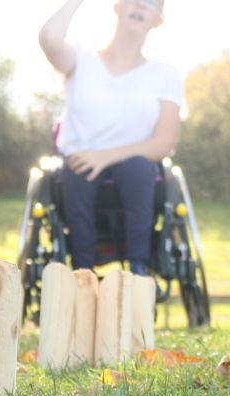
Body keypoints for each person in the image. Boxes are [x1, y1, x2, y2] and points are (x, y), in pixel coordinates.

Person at [39, 0, 184, 275]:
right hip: (79, 166)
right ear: (117, 6)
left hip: (137, 168)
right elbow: (49, 38)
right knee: (78, 170)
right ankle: (82, 273)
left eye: (152, 3)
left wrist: (104, 156)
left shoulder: (165, 74)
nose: (141, 5)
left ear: (159, 20)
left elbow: (163, 143)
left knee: (138, 168)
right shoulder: (81, 59)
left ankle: (139, 270)